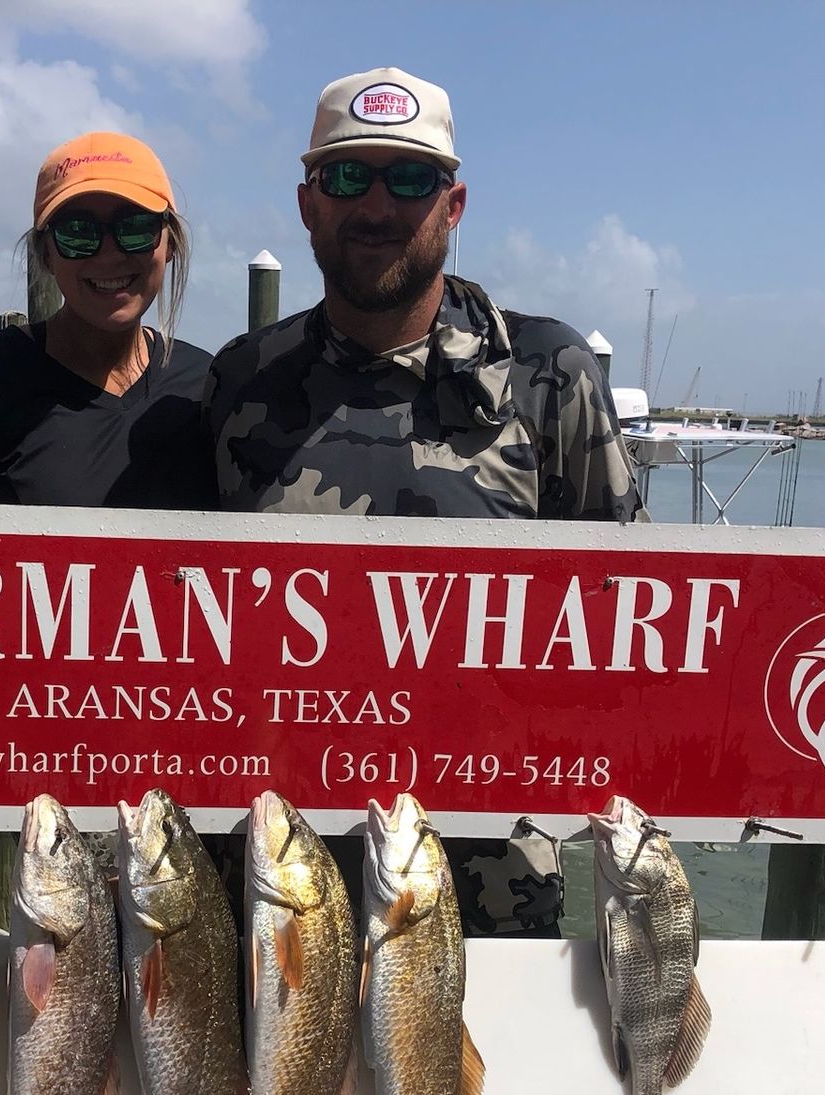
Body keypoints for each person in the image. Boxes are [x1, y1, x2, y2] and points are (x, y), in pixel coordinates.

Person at [204, 66, 645, 938]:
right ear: (306, 204)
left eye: (410, 179)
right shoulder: (241, 379)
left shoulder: (549, 373)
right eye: (346, 177)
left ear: (454, 203)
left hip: (489, 899)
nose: (377, 206)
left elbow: (625, 641)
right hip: (285, 895)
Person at [0, 132, 215, 509]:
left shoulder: (209, 389)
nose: (109, 255)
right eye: (78, 232)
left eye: (136, 227)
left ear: (168, 243)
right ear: (45, 254)